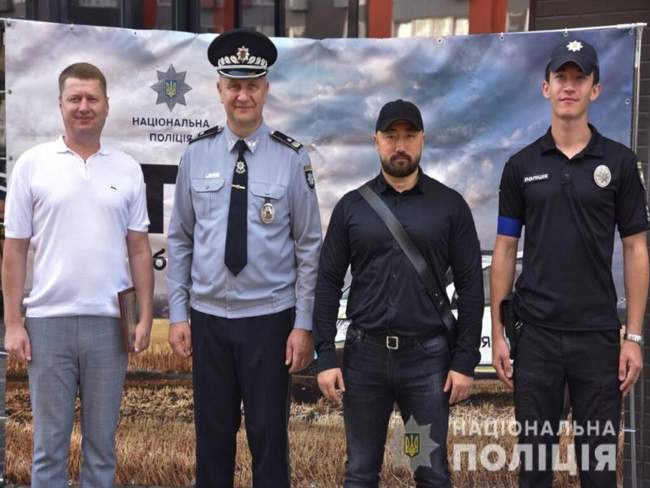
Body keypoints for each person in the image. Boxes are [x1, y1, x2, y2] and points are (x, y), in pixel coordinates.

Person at [166, 28, 322, 488]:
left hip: (269, 320)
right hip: (209, 319)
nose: (243, 95)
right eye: (233, 85)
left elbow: (309, 246)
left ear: (266, 89)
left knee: (269, 439)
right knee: (212, 440)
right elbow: (179, 240)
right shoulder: (195, 156)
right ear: (219, 89)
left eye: (252, 84)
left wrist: (303, 324)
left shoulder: (293, 159)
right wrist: (178, 313)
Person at [491, 38, 649, 487]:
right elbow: (504, 250)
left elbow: (636, 248)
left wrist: (633, 336)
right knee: (534, 472)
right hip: (536, 340)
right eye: (561, 77)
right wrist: (499, 334)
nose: (569, 86)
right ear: (545, 88)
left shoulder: (619, 164)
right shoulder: (519, 166)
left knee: (599, 473)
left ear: (595, 90)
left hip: (597, 342)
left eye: (580, 78)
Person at [314, 99, 484, 488]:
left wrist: (465, 361)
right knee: (360, 472)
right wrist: (325, 355)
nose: (400, 145)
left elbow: (472, 286)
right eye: (391, 136)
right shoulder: (351, 208)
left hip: (426, 363)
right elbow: (327, 281)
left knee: (428, 472)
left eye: (409, 136)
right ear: (376, 141)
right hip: (365, 359)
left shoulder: (450, 206)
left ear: (422, 140)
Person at [2, 62, 154, 488]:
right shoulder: (32, 165)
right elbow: (13, 251)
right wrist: (13, 323)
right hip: (48, 323)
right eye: (75, 99)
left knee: (102, 448)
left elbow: (139, 249)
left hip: (110, 326)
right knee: (48, 448)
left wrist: (143, 318)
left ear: (107, 106)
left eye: (92, 99)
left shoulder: (126, 169)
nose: (83, 107)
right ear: (60, 105)